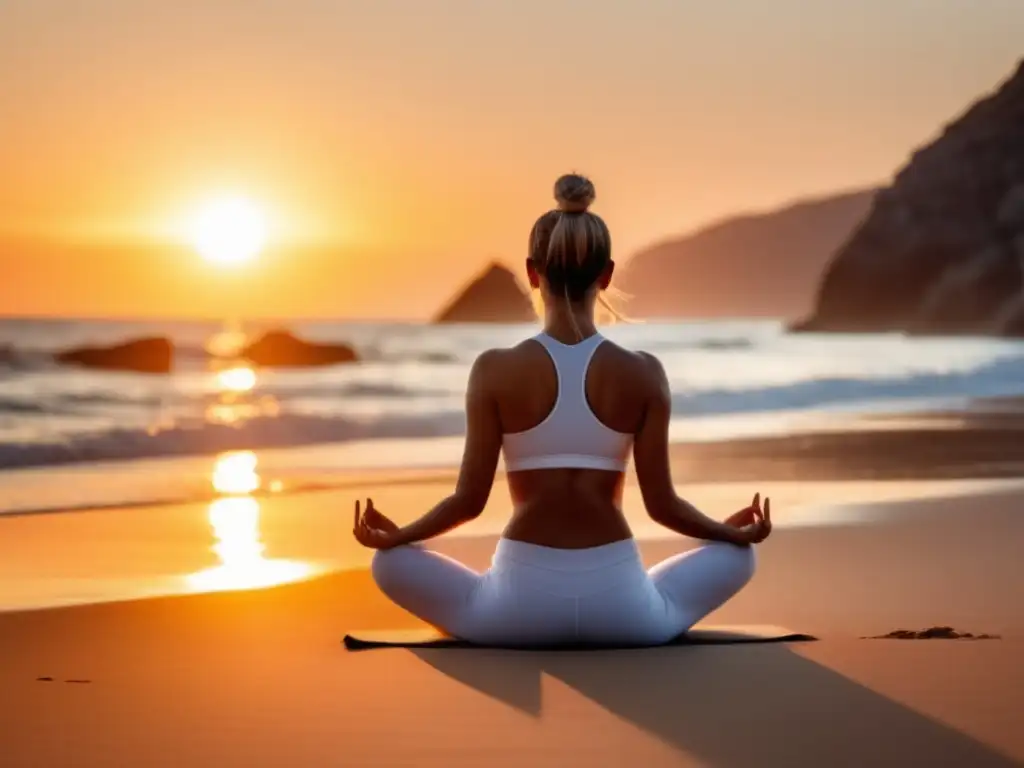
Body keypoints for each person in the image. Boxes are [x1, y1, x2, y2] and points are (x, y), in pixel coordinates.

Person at [353, 173, 772, 647]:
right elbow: (662, 506)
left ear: (533, 272)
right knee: (741, 557)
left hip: (516, 613)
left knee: (388, 564)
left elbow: (468, 502)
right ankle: (651, 604)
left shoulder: (494, 370)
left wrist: (399, 536)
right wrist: (725, 532)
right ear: (607, 274)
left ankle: (495, 610)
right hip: (623, 613)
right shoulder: (644, 373)